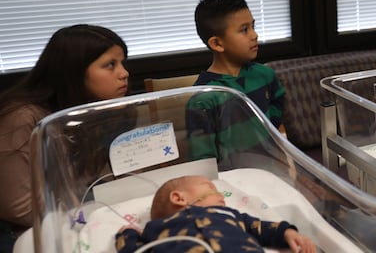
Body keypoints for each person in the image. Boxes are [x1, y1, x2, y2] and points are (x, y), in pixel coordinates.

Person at [0, 25, 129, 249]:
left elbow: (102, 178)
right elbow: (19, 209)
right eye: (110, 65)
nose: (124, 73)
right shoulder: (21, 118)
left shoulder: (92, 111)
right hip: (29, 234)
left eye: (122, 63)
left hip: (79, 216)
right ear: (74, 71)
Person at [188, 0, 287, 162]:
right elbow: (204, 158)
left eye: (253, 26)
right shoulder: (203, 96)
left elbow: (278, 111)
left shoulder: (265, 75)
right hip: (233, 178)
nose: (254, 35)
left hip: (272, 168)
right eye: (244, 30)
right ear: (217, 43)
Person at [115, 175, 315, 253]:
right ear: (179, 198)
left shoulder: (228, 215)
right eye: (209, 187)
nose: (221, 195)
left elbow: (260, 227)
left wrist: (288, 233)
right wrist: (128, 233)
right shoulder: (156, 229)